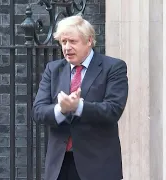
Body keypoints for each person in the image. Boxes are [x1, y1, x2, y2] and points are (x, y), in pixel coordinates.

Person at [32, 15, 128, 180]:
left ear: (89, 40)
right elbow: (38, 111)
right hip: (59, 166)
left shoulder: (113, 67)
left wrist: (79, 107)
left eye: (72, 41)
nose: (67, 47)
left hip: (98, 166)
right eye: (63, 42)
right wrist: (60, 109)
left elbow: (113, 110)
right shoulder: (53, 69)